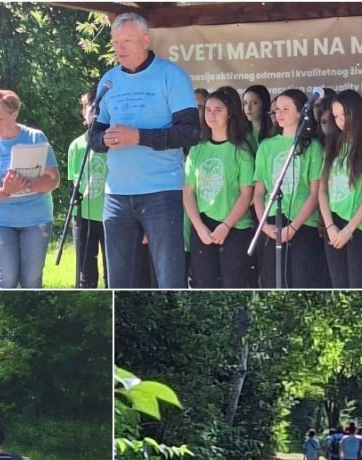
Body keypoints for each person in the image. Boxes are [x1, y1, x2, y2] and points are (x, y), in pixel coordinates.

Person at [88, 12, 200, 289]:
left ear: (146, 41)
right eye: (115, 42)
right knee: (118, 280)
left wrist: (138, 136)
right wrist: (106, 140)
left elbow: (190, 132)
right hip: (117, 194)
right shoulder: (109, 81)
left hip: (161, 191)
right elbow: (94, 137)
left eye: (127, 41)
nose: (120, 48)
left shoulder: (171, 75)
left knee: (168, 277)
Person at [0, 90, 60, 289]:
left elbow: (53, 179)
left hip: (36, 219)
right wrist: (5, 191)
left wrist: (25, 185)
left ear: (15, 114)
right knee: (7, 280)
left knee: (32, 280)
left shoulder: (36, 137)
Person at [252, 88, 328, 288]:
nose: (280, 113)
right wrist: (264, 225)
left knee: (301, 282)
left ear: (300, 113)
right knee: (272, 282)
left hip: (303, 224)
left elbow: (315, 193)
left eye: (286, 109)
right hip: (271, 223)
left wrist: (293, 228)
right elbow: (259, 192)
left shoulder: (313, 147)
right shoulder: (266, 147)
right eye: (277, 109)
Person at [183, 86, 255, 289]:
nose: (211, 115)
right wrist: (199, 227)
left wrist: (226, 226)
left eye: (218, 110)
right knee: (204, 283)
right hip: (203, 226)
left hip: (234, 226)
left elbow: (246, 193)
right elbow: (188, 191)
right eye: (208, 109)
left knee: (234, 283)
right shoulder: (197, 148)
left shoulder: (241, 150)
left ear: (230, 113)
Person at [318, 89, 362, 288]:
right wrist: (330, 226)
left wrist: (348, 231)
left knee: (357, 286)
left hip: (359, 227)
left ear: (356, 113)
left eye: (344, 114)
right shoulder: (334, 145)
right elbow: (322, 191)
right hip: (334, 224)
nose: (340, 121)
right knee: (339, 286)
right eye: (336, 116)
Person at [66, 88, 108, 288]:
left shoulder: (112, 143)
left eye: (96, 108)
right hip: (84, 215)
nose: (92, 112)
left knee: (113, 272)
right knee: (86, 271)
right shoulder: (76, 145)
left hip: (110, 215)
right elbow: (75, 180)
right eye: (88, 108)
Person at [243, 85, 273, 149]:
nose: (248, 108)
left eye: (254, 103)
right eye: (245, 103)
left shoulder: (273, 131)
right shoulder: (241, 132)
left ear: (264, 104)